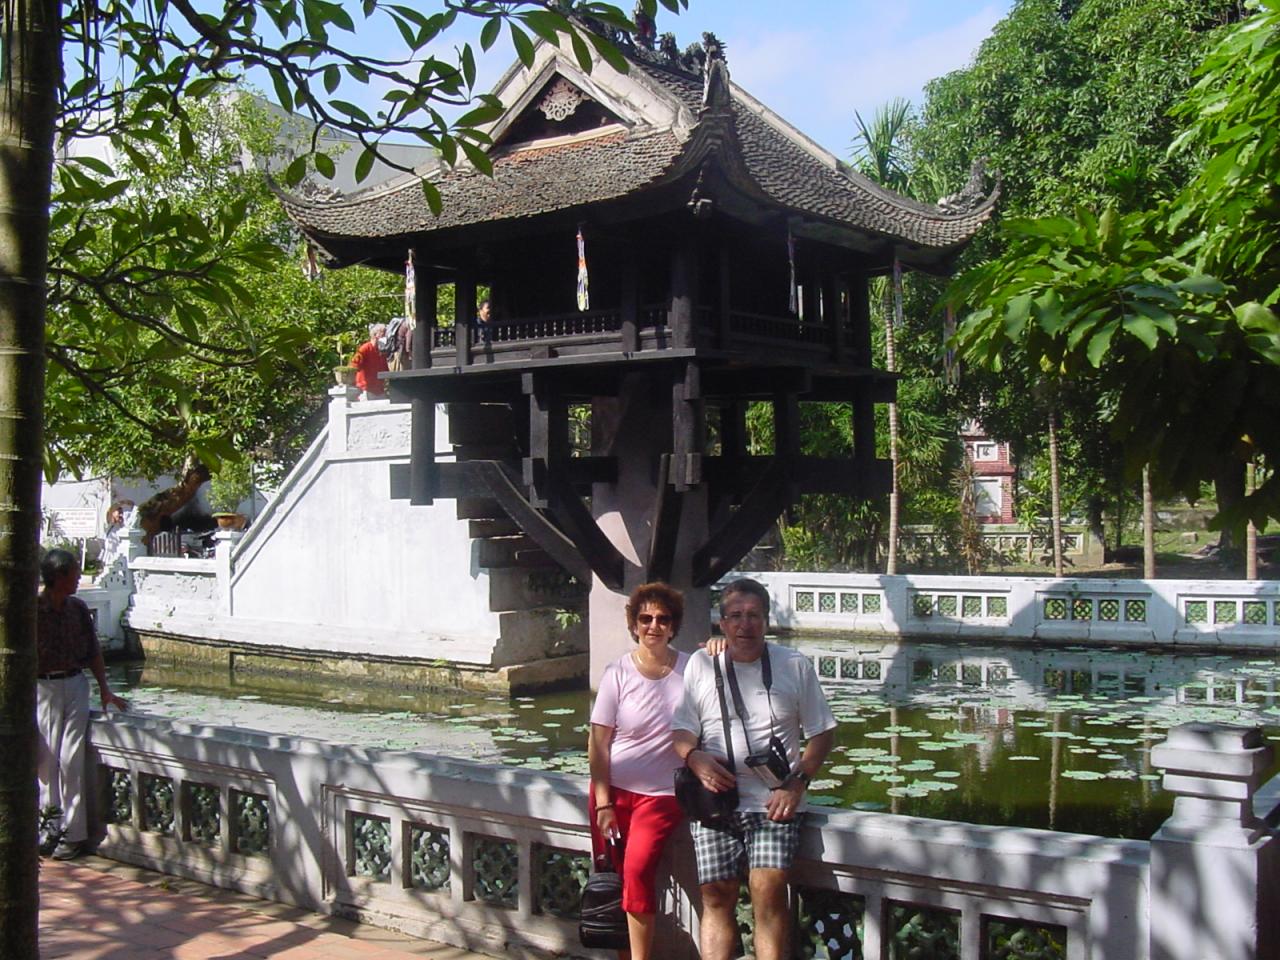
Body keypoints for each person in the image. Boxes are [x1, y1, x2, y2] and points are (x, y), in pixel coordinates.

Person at [672, 577, 836, 960]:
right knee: (715, 895)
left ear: (766, 620)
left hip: (772, 803)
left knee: (768, 890)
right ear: (722, 622)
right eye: (735, 616)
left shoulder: (793, 665)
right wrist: (694, 758)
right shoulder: (702, 663)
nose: (744, 625)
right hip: (714, 801)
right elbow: (681, 730)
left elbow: (823, 734)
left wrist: (796, 784)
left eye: (753, 616)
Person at [588, 582, 716, 960]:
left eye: (662, 619)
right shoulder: (618, 672)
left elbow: (721, 688)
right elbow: (598, 742)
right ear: (634, 624)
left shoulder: (692, 669)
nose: (653, 626)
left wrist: (717, 646)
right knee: (612, 879)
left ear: (674, 625)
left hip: (661, 796)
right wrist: (603, 802)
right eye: (645, 618)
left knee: (638, 871)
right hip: (612, 794)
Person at [37, 549, 128, 860]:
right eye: (74, 574)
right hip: (43, 686)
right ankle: (49, 829)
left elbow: (93, 652)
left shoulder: (77, 609)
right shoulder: (33, 610)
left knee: (70, 758)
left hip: (75, 683)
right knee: (47, 762)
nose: (78, 579)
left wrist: (105, 690)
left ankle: (73, 835)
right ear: (58, 577)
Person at [351, 322, 389, 399]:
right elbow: (354, 365)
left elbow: (385, 368)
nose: (385, 336)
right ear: (375, 335)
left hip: (379, 389)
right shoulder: (364, 349)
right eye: (383, 333)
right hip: (365, 389)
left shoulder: (381, 350)